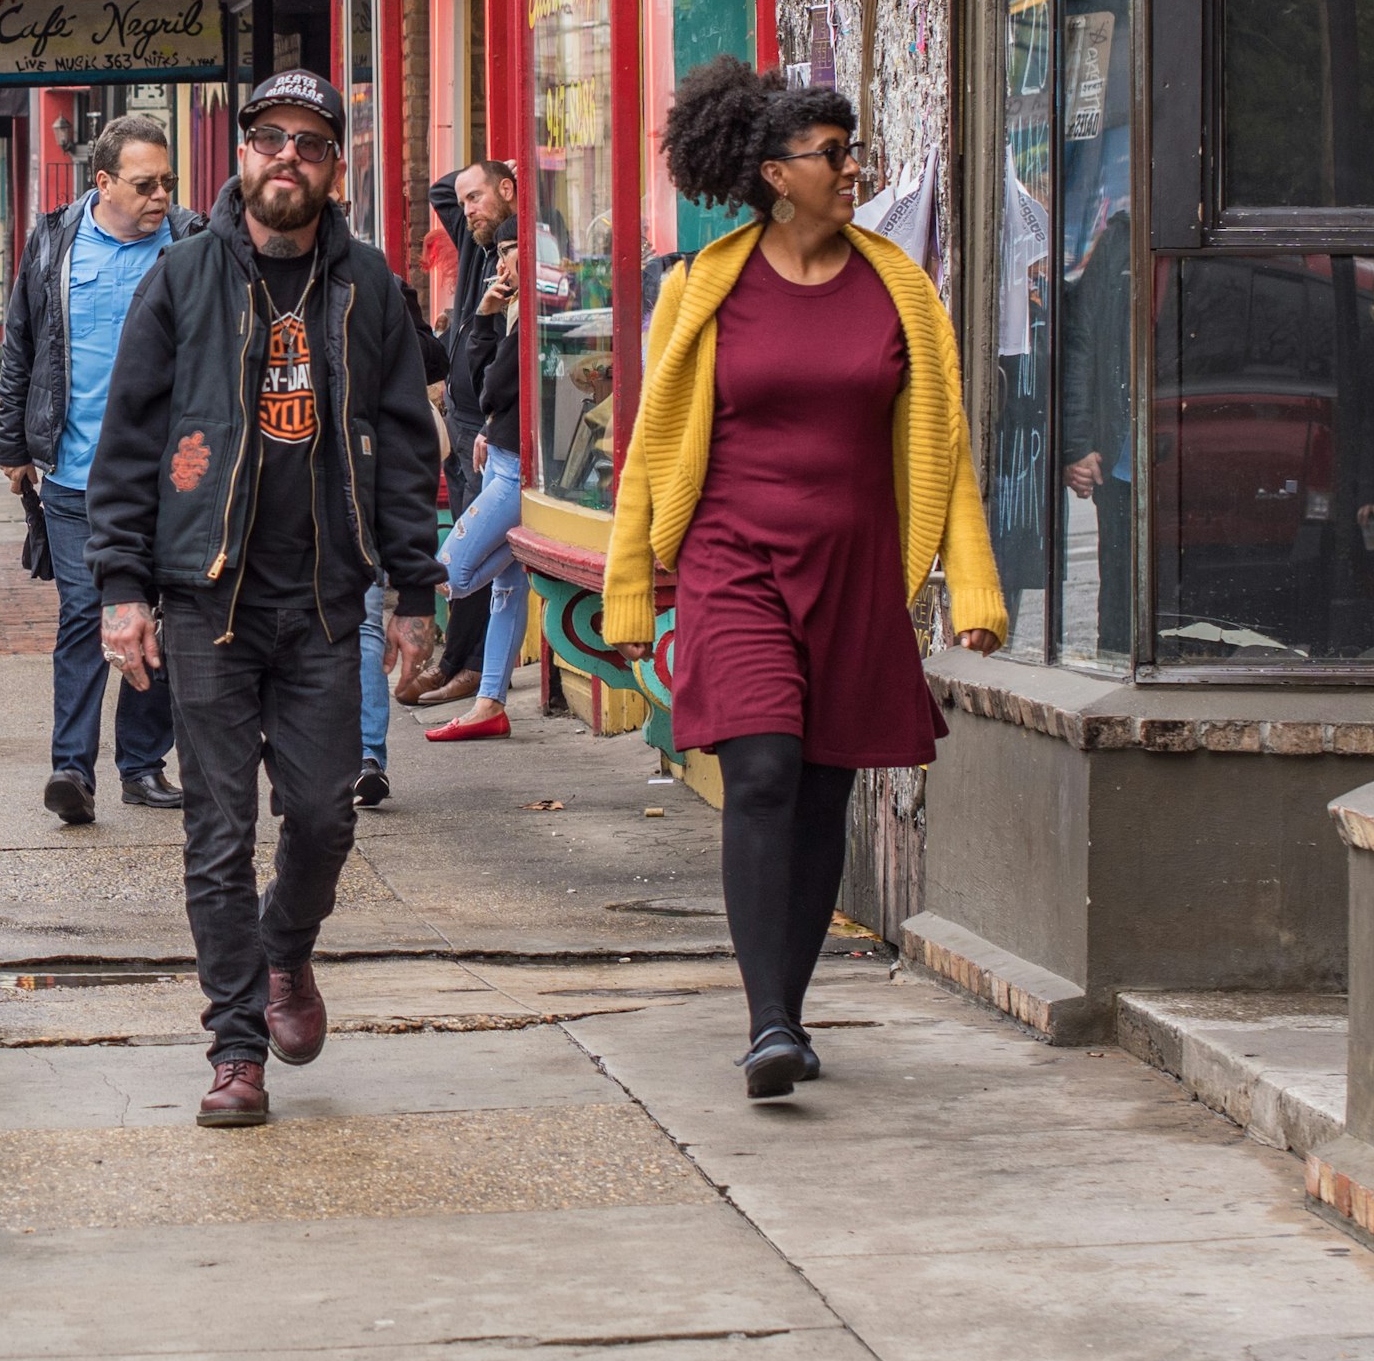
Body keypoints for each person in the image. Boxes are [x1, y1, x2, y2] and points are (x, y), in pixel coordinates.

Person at [601, 58, 1007, 1100]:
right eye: (834, 153)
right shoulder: (703, 287)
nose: (852, 168)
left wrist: (973, 586)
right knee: (766, 767)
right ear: (777, 173)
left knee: (826, 783)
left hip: (858, 564)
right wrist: (631, 591)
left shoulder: (899, 285)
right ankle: (767, 1019)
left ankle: (792, 1002)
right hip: (734, 560)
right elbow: (651, 447)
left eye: (851, 149)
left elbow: (942, 443)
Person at [87, 70, 442, 1129]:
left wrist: (414, 591)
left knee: (327, 816)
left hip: (328, 605)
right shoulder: (183, 278)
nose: (288, 156)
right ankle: (235, 1046)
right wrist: (121, 589)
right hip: (208, 601)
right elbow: (130, 441)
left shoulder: (369, 285)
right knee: (216, 828)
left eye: (311, 143)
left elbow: (408, 446)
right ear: (239, 155)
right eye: (269, 138)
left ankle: (288, 948)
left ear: (338, 166)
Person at [0, 114, 198, 824]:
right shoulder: (54, 240)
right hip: (77, 472)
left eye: (168, 182)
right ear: (102, 181)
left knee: (163, 620)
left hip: (173, 479)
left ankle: (142, 765)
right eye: (145, 184)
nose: (161, 197)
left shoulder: (192, 244)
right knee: (86, 617)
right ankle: (71, 769)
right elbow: (21, 343)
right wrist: (13, 443)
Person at [419, 159, 529, 744]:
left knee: (449, 571)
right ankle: (490, 700)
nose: (502, 260)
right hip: (496, 446)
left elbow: (496, 382)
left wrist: (489, 320)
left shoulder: (535, 306)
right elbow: (496, 390)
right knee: (508, 586)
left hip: (517, 469)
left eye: (513, 250)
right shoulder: (496, 285)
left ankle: (475, 678)